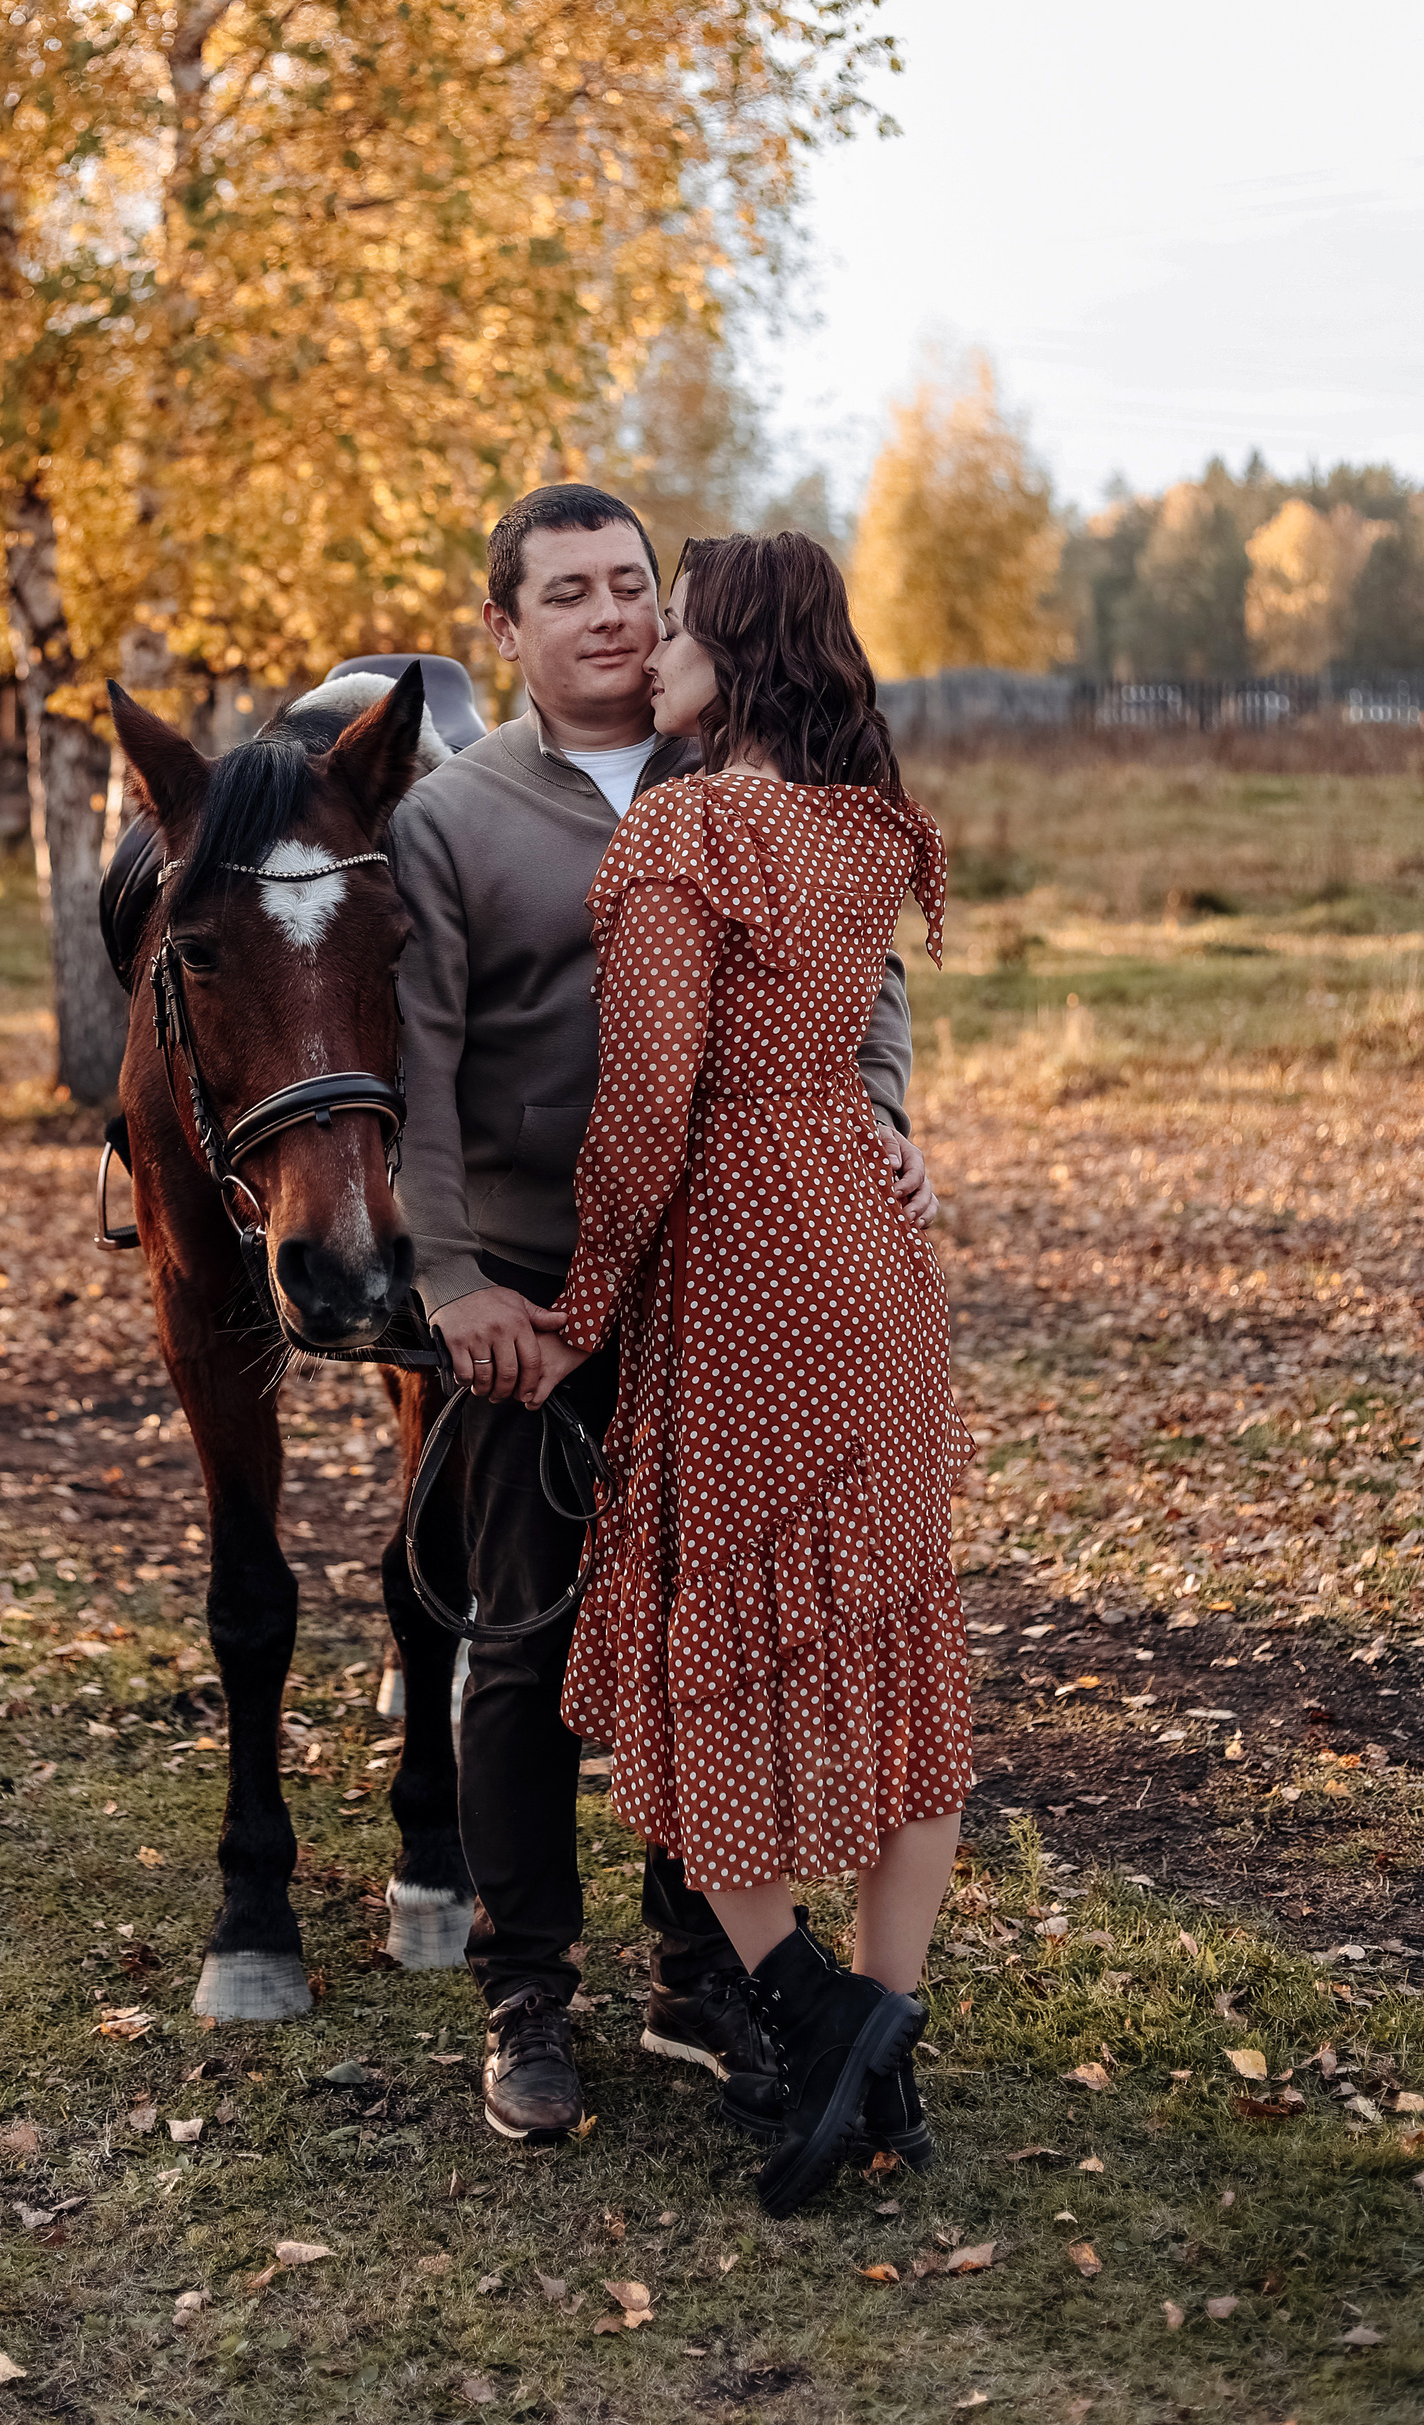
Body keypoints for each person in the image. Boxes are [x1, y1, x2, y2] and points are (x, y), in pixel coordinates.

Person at [390, 484, 938, 2145]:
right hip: (533, 1289)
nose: (616, 614)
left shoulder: (730, 781)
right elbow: (421, 1065)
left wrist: (885, 1122)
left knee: (724, 1638)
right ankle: (527, 1991)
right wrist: (451, 1277)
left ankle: (710, 1976)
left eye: (635, 583)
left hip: (739, 1289)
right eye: (570, 592)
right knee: (525, 1638)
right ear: (507, 627)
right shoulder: (454, 817)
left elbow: (865, 994)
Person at [521, 530, 976, 2216]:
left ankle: (811, 2013)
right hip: (866, 1247)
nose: (654, 652)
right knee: (895, 1637)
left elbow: (649, 1112)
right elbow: (850, 1039)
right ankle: (886, 2045)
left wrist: (582, 1299)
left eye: (682, 632)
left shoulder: (688, 829)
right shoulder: (867, 826)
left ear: (740, 657)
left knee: (700, 1641)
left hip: (743, 1262)